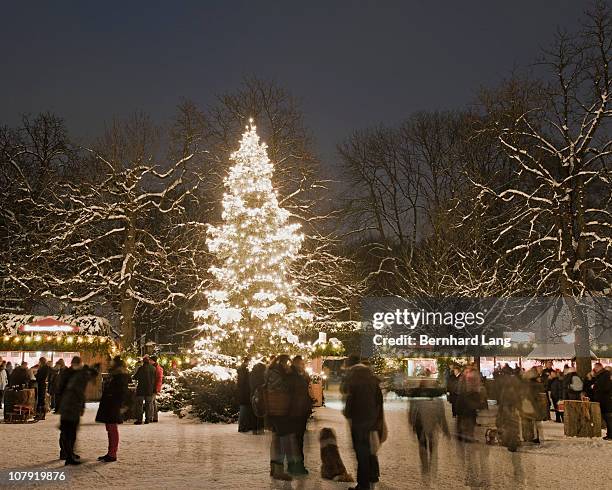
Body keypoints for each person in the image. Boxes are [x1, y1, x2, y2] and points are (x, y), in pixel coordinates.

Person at [341, 355, 385, 490]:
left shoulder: (353, 376)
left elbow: (350, 397)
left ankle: (363, 484)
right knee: (368, 449)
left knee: (361, 452)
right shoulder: (371, 376)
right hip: (371, 418)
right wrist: (377, 417)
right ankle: (371, 476)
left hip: (358, 419)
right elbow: (379, 399)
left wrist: (347, 413)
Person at [58, 356, 98, 465]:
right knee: (69, 431)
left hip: (68, 405)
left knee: (68, 431)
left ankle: (68, 453)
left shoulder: (70, 373)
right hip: (71, 405)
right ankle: (68, 455)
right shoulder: (76, 376)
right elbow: (79, 391)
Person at [409, 383, 450, 477]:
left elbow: (412, 412)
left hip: (423, 425)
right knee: (429, 445)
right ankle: (430, 465)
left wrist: (412, 423)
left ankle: (426, 467)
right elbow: (441, 416)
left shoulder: (418, 399)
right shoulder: (436, 400)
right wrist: (445, 429)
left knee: (425, 445)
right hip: (427, 425)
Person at [266, 354, 297, 481]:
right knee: (282, 441)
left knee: (276, 439)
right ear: (284, 363)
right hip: (281, 410)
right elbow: (287, 388)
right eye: (287, 363)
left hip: (271, 410)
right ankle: (279, 471)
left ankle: (274, 468)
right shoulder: (280, 374)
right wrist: (291, 373)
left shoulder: (269, 371)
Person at [95, 356, 130, 462]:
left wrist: (122, 405)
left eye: (112, 362)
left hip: (113, 405)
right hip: (110, 405)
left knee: (112, 429)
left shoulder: (120, 376)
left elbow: (122, 392)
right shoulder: (115, 375)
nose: (109, 363)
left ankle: (112, 454)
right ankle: (110, 452)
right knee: (110, 429)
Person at [288, 355, 312, 475]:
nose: (304, 366)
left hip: (300, 412)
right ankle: (295, 466)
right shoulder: (292, 376)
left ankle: (297, 465)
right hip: (295, 413)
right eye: (302, 364)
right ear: (297, 364)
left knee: (298, 440)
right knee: (296, 440)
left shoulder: (298, 375)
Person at [455, 363, 481, 442]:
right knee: (469, 417)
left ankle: (462, 435)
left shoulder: (464, 375)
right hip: (469, 398)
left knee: (463, 417)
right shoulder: (471, 375)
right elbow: (473, 388)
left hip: (463, 398)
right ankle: (468, 436)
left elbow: (459, 389)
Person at [588, 362, 612, 440]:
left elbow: (604, 388)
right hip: (604, 400)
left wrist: (594, 387)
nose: (595, 369)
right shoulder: (602, 376)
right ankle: (609, 434)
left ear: (599, 367)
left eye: (596, 368)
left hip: (606, 400)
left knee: (608, 418)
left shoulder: (605, 376)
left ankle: (610, 435)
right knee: (607, 418)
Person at [133, 355, 156, 424]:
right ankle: (147, 419)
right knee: (148, 405)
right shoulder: (153, 368)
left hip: (141, 389)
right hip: (149, 389)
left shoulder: (141, 368)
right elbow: (155, 378)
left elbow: (135, 377)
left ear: (143, 361)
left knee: (139, 405)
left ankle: (139, 420)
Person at [237, 357, 255, 432]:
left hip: (243, 393)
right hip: (244, 393)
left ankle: (244, 426)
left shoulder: (243, 369)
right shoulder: (243, 370)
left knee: (244, 409)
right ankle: (242, 427)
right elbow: (243, 382)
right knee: (244, 409)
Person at [249, 360, 266, 435]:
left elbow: (251, 385)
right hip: (261, 395)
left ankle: (254, 429)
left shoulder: (252, 374)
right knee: (261, 411)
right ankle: (260, 428)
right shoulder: (262, 375)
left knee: (254, 412)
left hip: (253, 394)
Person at [150, 355, 163, 423]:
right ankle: (155, 417)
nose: (149, 361)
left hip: (154, 387)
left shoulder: (157, 368)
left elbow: (158, 380)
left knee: (151, 402)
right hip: (153, 387)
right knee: (153, 402)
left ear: (153, 361)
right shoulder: (155, 367)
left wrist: (156, 389)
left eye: (150, 360)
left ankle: (151, 417)